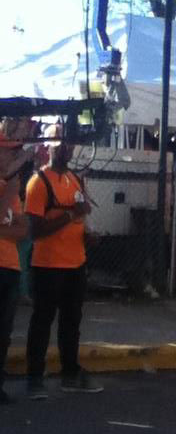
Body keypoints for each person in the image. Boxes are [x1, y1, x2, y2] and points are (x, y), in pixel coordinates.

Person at [23, 123, 102, 398]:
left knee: (72, 321)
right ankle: (34, 377)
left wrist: (88, 234)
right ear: (49, 146)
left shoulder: (74, 179)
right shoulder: (38, 182)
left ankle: (70, 371)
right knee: (42, 321)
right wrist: (69, 215)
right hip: (47, 265)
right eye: (61, 143)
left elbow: (80, 217)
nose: (66, 148)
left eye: (70, 144)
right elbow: (34, 231)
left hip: (75, 263)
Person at [0, 138, 30, 404]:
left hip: (10, 266)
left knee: (4, 331)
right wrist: (9, 189)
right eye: (10, 153)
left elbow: (22, 230)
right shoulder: (9, 187)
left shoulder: (10, 187)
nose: (15, 159)